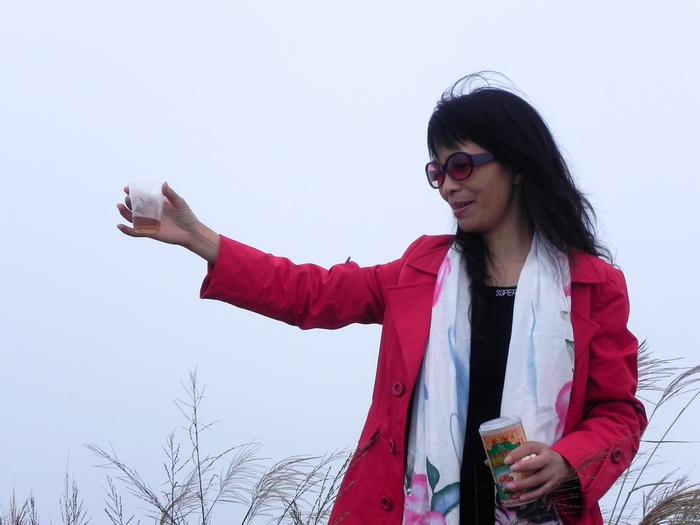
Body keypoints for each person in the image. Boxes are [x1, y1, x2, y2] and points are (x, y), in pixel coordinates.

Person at [117, 73, 647, 525]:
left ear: (517, 164)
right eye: (437, 171)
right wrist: (201, 239)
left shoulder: (592, 286)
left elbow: (617, 413)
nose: (447, 186)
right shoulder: (420, 272)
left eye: (461, 165)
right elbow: (310, 292)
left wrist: (566, 461)